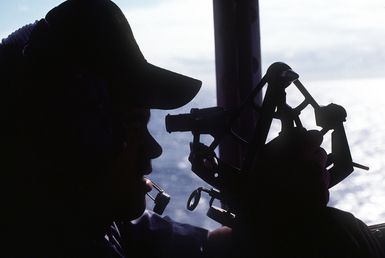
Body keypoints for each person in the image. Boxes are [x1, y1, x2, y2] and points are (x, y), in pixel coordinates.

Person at [0, 0, 382, 257]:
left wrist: (246, 238)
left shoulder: (92, 225)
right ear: (73, 139)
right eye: (132, 127)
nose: (153, 150)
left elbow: (153, 236)